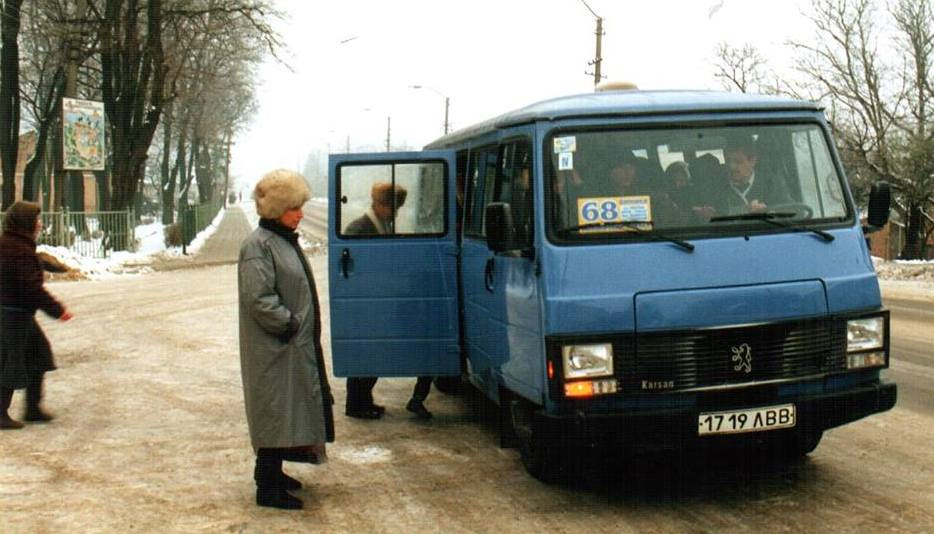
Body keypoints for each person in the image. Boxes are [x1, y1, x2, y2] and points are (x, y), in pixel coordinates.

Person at [238, 169, 334, 510]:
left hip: (288, 347)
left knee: (286, 410)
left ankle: (272, 474)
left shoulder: (280, 240)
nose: (301, 213)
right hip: (275, 349)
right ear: (278, 210)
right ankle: (266, 486)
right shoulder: (258, 246)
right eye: (295, 207)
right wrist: (290, 324)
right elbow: (259, 298)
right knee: (276, 411)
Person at [343, 182, 434, 420]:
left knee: (374, 353)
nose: (395, 213)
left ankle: (365, 400)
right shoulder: (359, 228)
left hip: (378, 298)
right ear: (379, 205)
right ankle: (355, 404)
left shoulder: (382, 225)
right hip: (365, 300)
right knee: (365, 353)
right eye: (392, 207)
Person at [0, 201, 73, 430]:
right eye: (36, 220)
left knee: (38, 354)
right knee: (10, 361)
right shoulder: (17, 249)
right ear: (25, 222)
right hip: (13, 314)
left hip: (16, 312)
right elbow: (31, 288)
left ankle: (32, 408)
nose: (40, 224)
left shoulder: (15, 245)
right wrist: (57, 310)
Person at [693, 138, 792, 219]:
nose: (731, 166)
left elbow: (795, 214)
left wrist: (769, 212)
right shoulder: (714, 186)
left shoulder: (772, 183)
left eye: (738, 162)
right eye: (728, 161)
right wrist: (708, 217)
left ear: (753, 161)